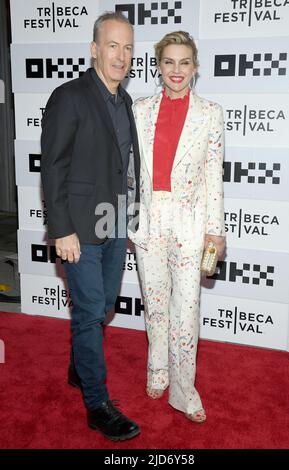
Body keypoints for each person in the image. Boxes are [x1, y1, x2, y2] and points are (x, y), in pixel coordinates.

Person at [41, 12, 140, 441]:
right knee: (87, 315)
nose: (121, 56)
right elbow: (54, 167)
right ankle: (98, 405)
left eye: (128, 48)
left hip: (116, 220)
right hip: (79, 228)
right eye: (113, 45)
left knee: (101, 309)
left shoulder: (126, 101)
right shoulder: (70, 96)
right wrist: (61, 229)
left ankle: (80, 366)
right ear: (94, 49)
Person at [129, 31, 225, 423]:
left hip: (190, 223)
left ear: (195, 67)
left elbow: (213, 177)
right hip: (149, 220)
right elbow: (129, 171)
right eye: (169, 62)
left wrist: (215, 231)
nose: (176, 70)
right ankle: (157, 369)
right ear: (158, 65)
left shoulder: (210, 113)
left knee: (186, 309)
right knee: (155, 306)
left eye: (184, 62)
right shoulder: (139, 109)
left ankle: (184, 391)